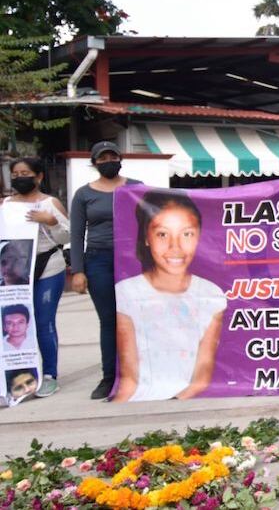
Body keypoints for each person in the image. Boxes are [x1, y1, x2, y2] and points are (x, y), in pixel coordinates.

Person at [112, 190, 224, 402]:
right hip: (141, 397)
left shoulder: (211, 295)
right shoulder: (128, 293)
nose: (176, 248)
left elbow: (202, 376)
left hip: (186, 401)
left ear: (199, 236)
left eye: (187, 234)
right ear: (146, 237)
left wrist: (174, 404)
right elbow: (129, 378)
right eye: (162, 234)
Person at [70, 142, 141, 400]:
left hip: (133, 259)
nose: (108, 160)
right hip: (98, 260)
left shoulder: (136, 187)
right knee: (109, 320)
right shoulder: (83, 194)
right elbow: (76, 234)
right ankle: (109, 377)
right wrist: (78, 270)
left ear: (120, 159)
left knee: (138, 317)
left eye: (113, 156)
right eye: (103, 158)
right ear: (94, 162)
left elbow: (154, 217)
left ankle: (140, 373)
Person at [4, 157, 70, 396]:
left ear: (39, 176)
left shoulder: (50, 203)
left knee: (44, 322)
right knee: (13, 323)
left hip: (48, 268)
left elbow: (66, 237)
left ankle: (50, 374)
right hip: (16, 272)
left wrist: (51, 222)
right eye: (16, 174)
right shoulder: (6, 206)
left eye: (26, 173)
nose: (21, 177)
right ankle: (15, 375)